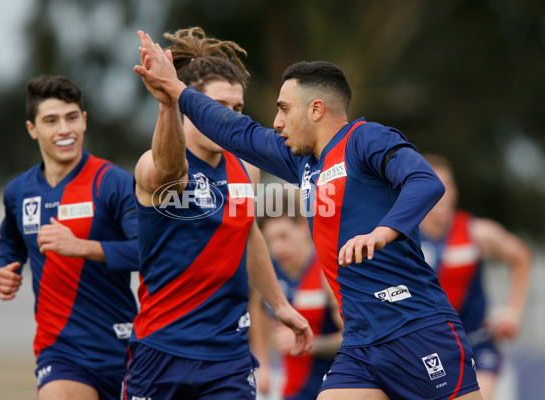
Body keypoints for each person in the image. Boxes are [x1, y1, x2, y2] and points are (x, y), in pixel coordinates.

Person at [135, 33, 484, 400]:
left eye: (284, 109)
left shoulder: (366, 139)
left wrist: (381, 233)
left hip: (415, 325)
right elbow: (237, 132)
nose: (277, 121)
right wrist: (174, 88)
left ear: (315, 110)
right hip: (361, 342)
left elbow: (424, 182)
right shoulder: (301, 162)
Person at [125, 28, 313, 400]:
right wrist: (167, 103)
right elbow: (169, 171)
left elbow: (247, 234)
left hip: (228, 355)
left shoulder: (247, 168)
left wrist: (279, 304)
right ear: (190, 104)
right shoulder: (152, 165)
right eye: (217, 105)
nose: (226, 117)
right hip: (161, 349)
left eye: (237, 109)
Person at [0, 75, 139, 400]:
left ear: (84, 121)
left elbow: (148, 251)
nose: (64, 129)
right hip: (60, 351)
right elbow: (10, 242)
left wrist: (82, 247)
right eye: (51, 120)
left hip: (123, 347)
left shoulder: (112, 181)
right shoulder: (18, 192)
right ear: (32, 129)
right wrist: (4, 268)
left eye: (72, 117)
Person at [419, 154, 532, 400]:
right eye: (433, 184)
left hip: (475, 343)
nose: (442, 193)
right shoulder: (402, 239)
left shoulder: (476, 231)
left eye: (447, 185)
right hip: (427, 348)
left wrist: (514, 311)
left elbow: (521, 256)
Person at [250, 192, 343, 400]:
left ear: (302, 227)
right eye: (270, 241)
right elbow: (258, 307)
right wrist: (262, 363)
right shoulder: (269, 272)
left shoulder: (325, 272)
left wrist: (310, 343)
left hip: (332, 388)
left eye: (283, 236)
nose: (277, 248)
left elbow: (354, 338)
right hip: (291, 390)